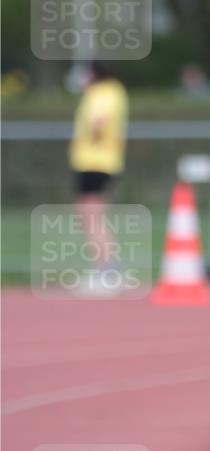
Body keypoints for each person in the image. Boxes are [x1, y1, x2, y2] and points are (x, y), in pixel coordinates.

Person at [68, 59, 129, 294]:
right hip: (101, 160)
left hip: (95, 161)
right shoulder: (113, 92)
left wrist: (93, 137)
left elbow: (98, 121)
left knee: (91, 217)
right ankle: (107, 269)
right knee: (93, 216)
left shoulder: (102, 93)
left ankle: (106, 270)